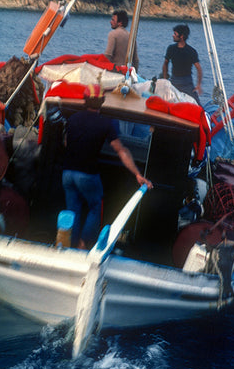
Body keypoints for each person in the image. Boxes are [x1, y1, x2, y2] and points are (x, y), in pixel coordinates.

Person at [62, 84, 152, 248]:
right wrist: (137, 174)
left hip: (67, 173)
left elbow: (67, 143)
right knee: (95, 206)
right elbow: (121, 151)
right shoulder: (105, 123)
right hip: (87, 175)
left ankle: (69, 245)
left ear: (85, 99)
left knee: (72, 210)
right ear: (102, 101)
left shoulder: (72, 118)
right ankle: (84, 245)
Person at [162, 23, 203, 103]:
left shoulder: (191, 51)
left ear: (181, 37)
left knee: (197, 104)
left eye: (175, 34)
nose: (173, 35)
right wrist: (165, 79)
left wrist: (198, 85)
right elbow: (165, 64)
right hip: (174, 80)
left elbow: (199, 68)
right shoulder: (171, 48)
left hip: (186, 83)